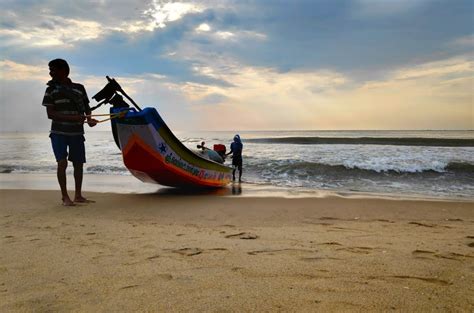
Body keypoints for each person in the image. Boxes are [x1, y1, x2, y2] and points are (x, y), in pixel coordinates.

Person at [42, 59, 98, 206]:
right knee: (62, 163)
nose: (50, 73)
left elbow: (86, 107)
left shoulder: (79, 88)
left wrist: (90, 119)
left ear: (64, 71)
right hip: (58, 132)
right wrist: (72, 117)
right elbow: (50, 114)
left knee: (78, 164)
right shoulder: (51, 89)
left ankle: (78, 195)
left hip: (77, 133)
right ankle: (65, 197)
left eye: (53, 70)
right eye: (50, 70)